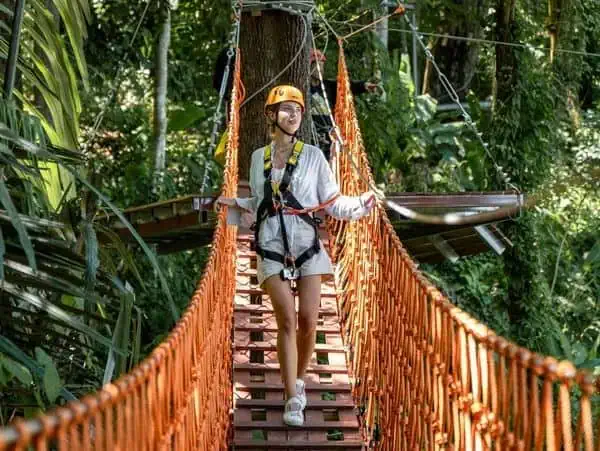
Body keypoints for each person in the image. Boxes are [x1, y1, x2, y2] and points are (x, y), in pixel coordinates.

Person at [215, 85, 375, 427]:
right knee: (286, 318)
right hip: (271, 247)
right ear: (271, 115)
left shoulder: (315, 156)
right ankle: (292, 398)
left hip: (307, 247)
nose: (294, 115)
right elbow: (260, 202)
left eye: (298, 110)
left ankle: (299, 380)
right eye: (286, 109)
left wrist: (362, 204)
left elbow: (331, 203)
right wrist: (235, 205)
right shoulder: (258, 157)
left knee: (308, 323)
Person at [309, 48, 379, 160]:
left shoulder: (327, 87)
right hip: (312, 138)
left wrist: (363, 86)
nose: (320, 69)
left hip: (328, 139)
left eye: (322, 66)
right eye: (317, 65)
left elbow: (345, 87)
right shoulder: (304, 89)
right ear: (309, 67)